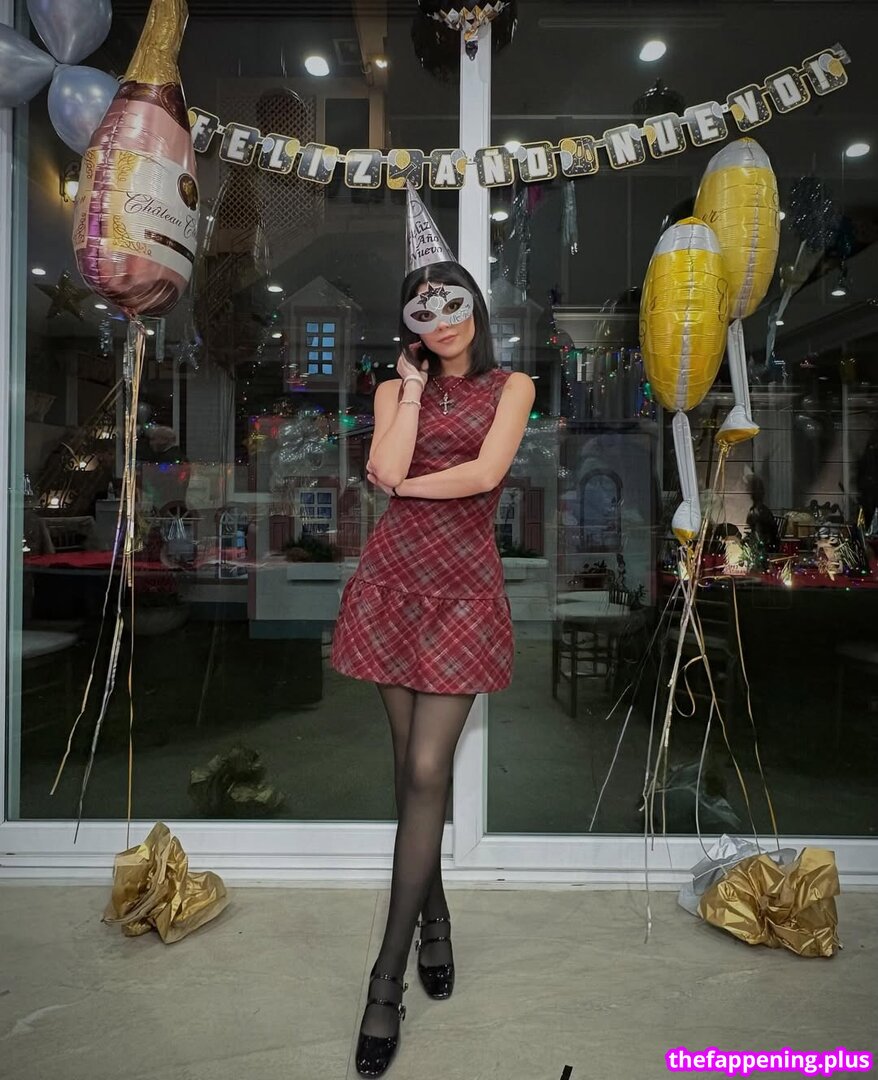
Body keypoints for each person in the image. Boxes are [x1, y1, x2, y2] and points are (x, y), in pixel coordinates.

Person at [330, 187, 534, 1078]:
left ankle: (385, 982)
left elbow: (482, 475)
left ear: (474, 307)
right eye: (423, 309)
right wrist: (410, 391)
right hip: (393, 582)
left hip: (460, 589)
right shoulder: (394, 386)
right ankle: (436, 920)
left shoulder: (513, 386)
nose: (441, 320)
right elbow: (380, 462)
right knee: (410, 770)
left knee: (424, 769)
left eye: (452, 303)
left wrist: (406, 488)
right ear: (409, 323)